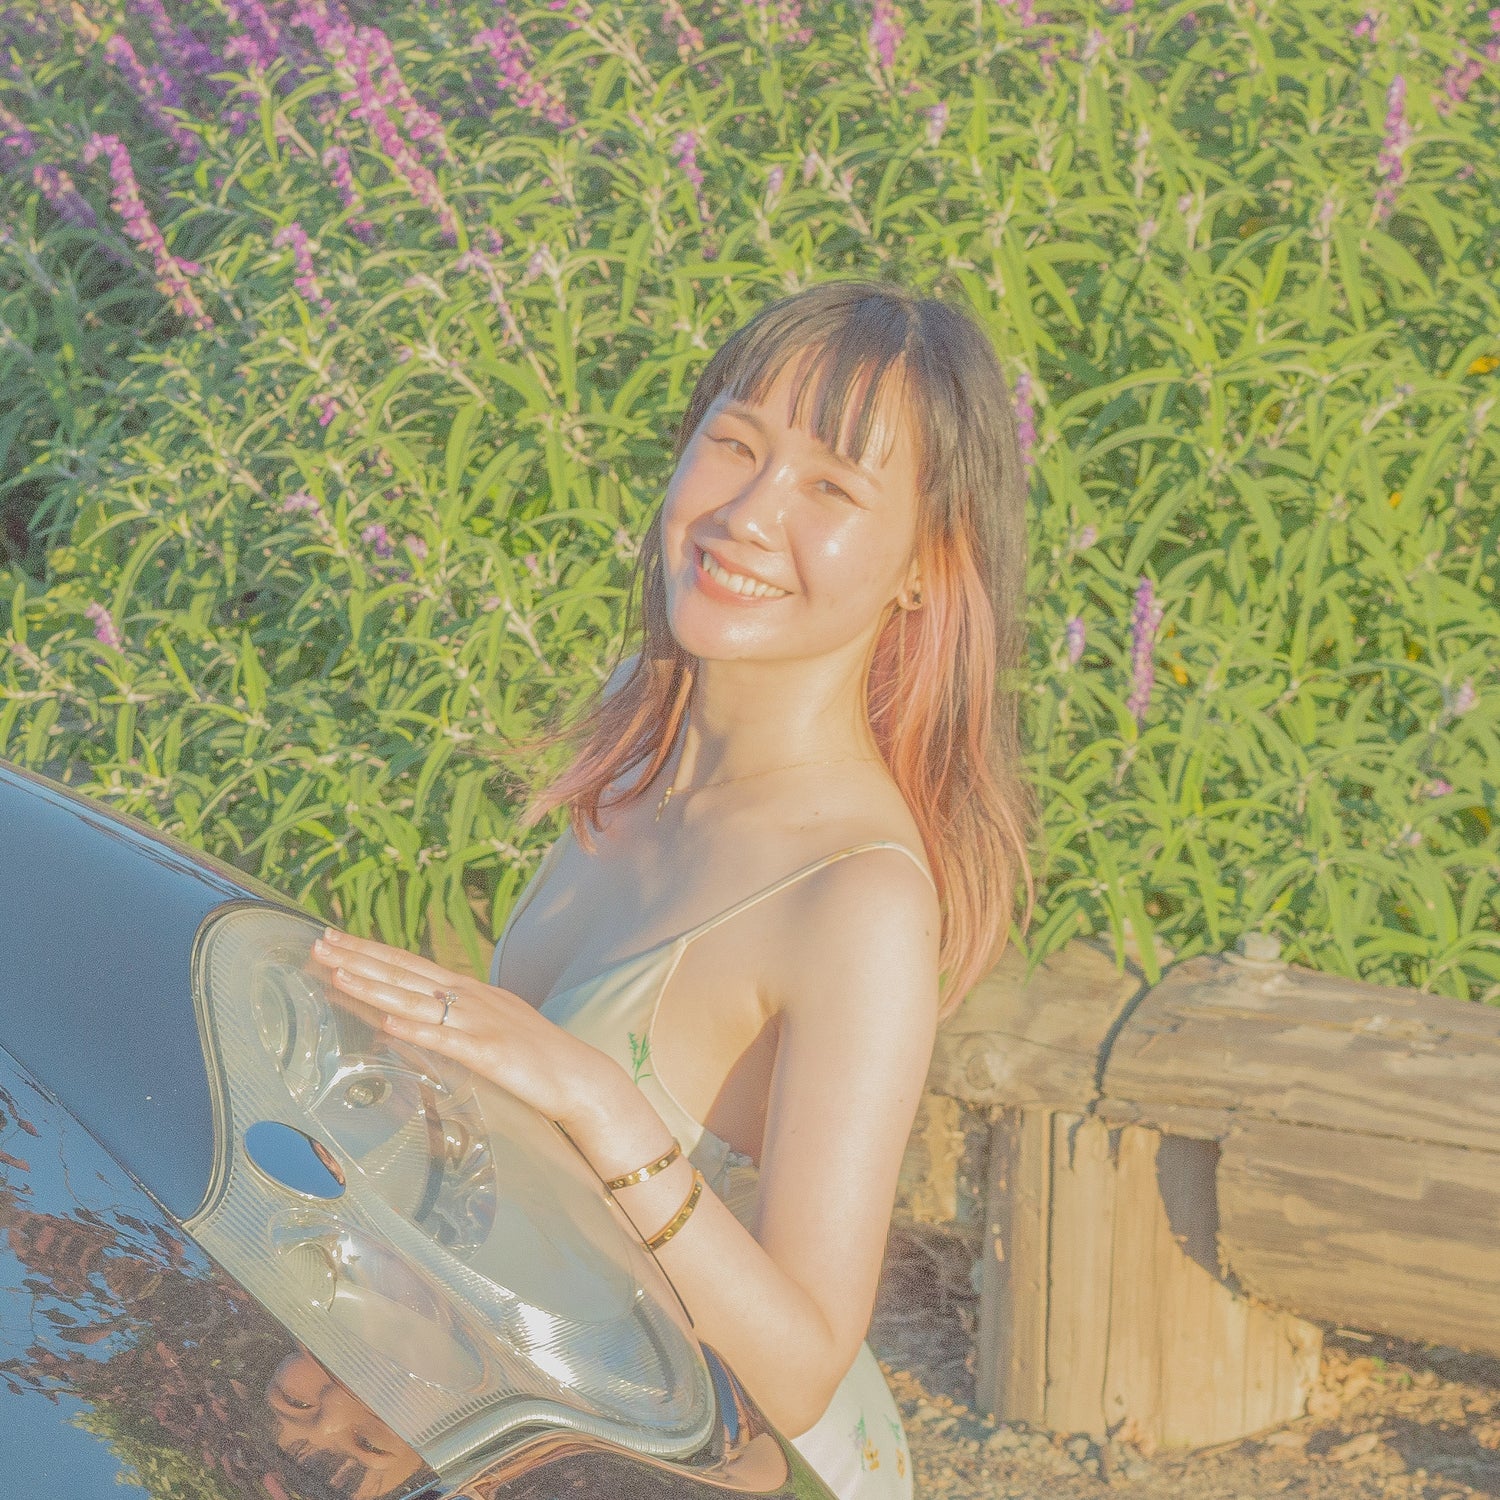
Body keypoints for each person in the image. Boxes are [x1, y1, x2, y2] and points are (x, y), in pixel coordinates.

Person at [309, 279, 1036, 1499]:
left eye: (832, 489)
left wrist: (597, 1099)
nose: (751, 513)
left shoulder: (857, 898)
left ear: (926, 565)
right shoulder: (639, 746)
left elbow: (802, 1369)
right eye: (736, 443)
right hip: (553, 1417)